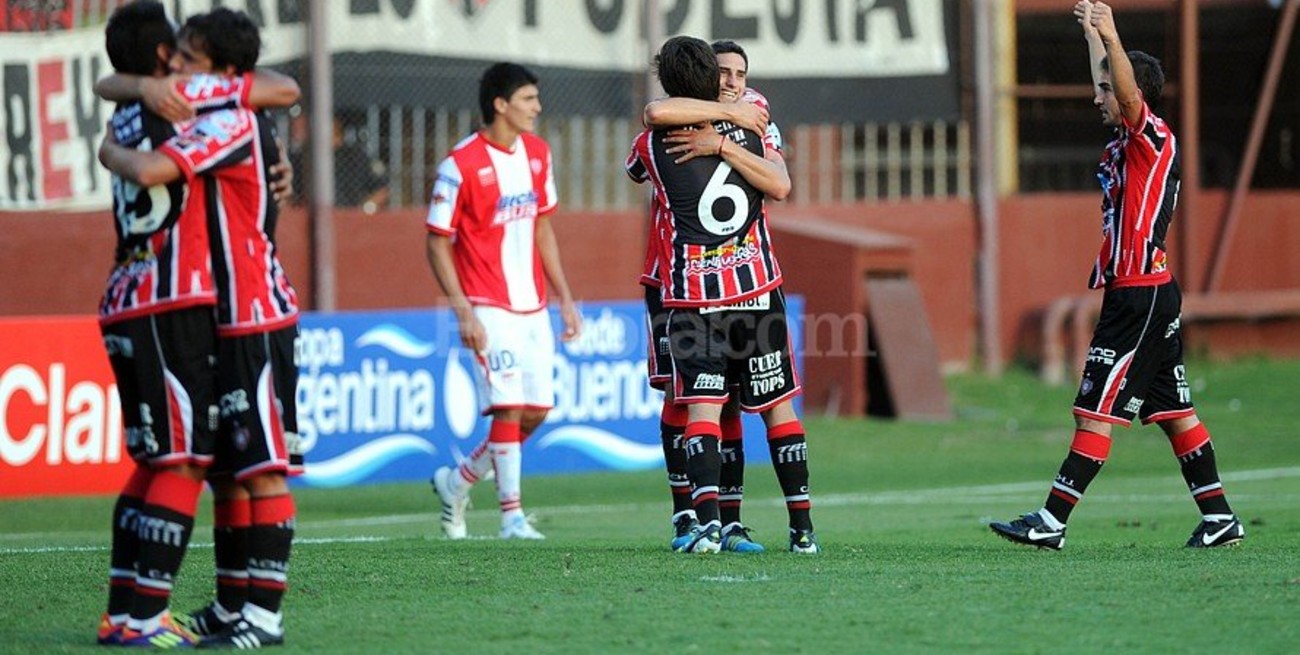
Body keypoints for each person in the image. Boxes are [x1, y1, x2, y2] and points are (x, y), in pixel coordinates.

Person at [989, 1, 1244, 551]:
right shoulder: (1132, 143)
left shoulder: (1149, 136)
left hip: (1140, 297)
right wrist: (1092, 37)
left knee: (1093, 408)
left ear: (1133, 94)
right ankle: (1219, 517)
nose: (1096, 96)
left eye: (1104, 88)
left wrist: (1111, 31)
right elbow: (1113, 83)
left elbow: (1125, 92)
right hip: (1148, 291)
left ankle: (1052, 520)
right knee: (1175, 411)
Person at [99, 8, 304, 647]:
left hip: (231, 310)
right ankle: (158, 616)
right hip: (189, 305)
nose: (181, 66)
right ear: (161, 58)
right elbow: (278, 91)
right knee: (195, 462)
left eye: (193, 56)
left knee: (222, 463)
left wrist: (108, 145)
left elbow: (274, 96)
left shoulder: (163, 112)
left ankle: (240, 614)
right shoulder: (197, 106)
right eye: (176, 54)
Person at [626, 36, 817, 555]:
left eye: (740, 74)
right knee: (683, 395)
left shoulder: (752, 114)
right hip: (676, 280)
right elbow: (660, 112)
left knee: (710, 398)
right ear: (708, 77)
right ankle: (687, 515)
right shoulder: (741, 120)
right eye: (723, 73)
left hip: (698, 285)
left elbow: (647, 142)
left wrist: (717, 139)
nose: (733, 83)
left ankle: (721, 521)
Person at [426, 62, 582, 541]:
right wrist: (463, 311)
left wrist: (566, 298)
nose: (537, 108)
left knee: (535, 412)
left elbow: (542, 228)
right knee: (508, 408)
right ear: (500, 104)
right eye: (528, 99)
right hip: (486, 303)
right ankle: (511, 517)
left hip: (532, 306)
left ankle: (458, 481)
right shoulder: (460, 164)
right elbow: (436, 241)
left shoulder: (538, 154)